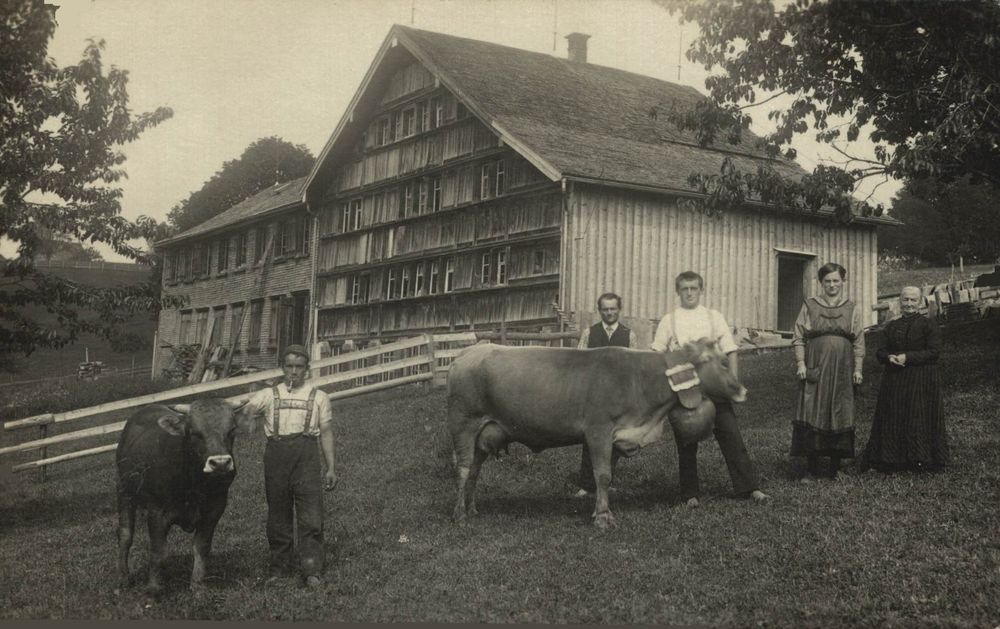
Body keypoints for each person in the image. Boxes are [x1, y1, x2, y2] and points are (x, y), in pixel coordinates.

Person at [650, 271, 769, 507]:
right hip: (684, 389)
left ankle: (749, 488)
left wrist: (732, 381)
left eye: (694, 288)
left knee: (731, 435)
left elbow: (731, 350)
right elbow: (657, 354)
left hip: (714, 387)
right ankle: (690, 493)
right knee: (687, 441)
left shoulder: (713, 317)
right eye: (685, 289)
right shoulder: (668, 320)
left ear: (701, 290)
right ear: (678, 291)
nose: (690, 293)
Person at [245, 344, 337, 588]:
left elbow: (326, 433)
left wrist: (330, 467)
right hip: (276, 457)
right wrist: (250, 413)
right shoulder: (268, 394)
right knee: (278, 515)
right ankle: (279, 568)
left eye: (299, 367)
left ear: (307, 369)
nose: (294, 372)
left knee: (311, 515)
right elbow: (248, 411)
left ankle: (311, 569)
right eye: (289, 366)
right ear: (282, 368)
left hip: (307, 458)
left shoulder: (319, 396)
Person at [859, 286, 949, 472]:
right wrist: (888, 358)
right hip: (895, 379)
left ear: (920, 302)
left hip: (921, 379)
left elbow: (934, 352)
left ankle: (920, 459)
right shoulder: (891, 326)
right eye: (905, 300)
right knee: (893, 416)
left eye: (913, 300)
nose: (908, 304)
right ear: (900, 302)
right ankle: (891, 459)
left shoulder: (928, 324)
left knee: (917, 417)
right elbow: (880, 351)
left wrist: (907, 357)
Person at [790, 262, 865, 480]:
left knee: (839, 410)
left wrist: (858, 369)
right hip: (816, 364)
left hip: (843, 367)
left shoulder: (852, 307)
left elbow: (859, 341)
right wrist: (801, 364)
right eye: (827, 281)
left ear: (843, 282)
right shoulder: (810, 305)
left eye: (836, 281)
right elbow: (798, 337)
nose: (832, 285)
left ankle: (835, 468)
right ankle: (811, 469)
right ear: (821, 283)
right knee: (814, 409)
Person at [574, 292, 638, 496]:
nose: (609, 313)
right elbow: (579, 363)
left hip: (618, 395)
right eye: (605, 309)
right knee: (590, 437)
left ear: (619, 310)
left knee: (614, 438)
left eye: (613, 309)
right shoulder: (589, 333)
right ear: (599, 311)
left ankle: (606, 481)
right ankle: (586, 484)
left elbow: (634, 367)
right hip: (593, 395)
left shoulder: (629, 335)